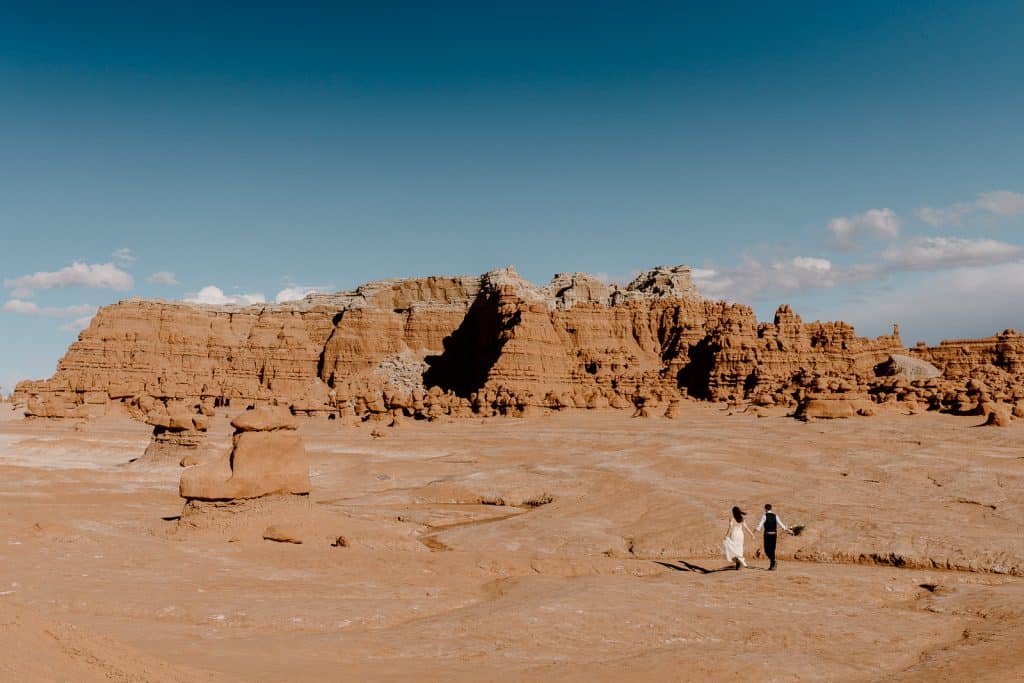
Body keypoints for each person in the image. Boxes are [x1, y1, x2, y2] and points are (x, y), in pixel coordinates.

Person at [755, 503, 793, 571]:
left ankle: (773, 562)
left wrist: (755, 531)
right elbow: (782, 525)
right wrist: (788, 530)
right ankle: (772, 563)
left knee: (767, 550)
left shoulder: (764, 516)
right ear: (771, 508)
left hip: (767, 535)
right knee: (772, 550)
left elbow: (759, 525)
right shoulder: (776, 516)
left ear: (765, 509)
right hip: (774, 535)